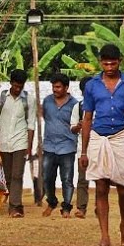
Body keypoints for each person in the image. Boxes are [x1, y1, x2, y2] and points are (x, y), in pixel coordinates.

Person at [79, 44, 124, 246]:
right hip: (98, 137)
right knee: (100, 186)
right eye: (106, 63)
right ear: (101, 62)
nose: (109, 67)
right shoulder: (92, 85)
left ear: (120, 61)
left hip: (121, 136)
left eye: (113, 63)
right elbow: (87, 118)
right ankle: (104, 234)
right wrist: (83, 151)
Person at [0, 69, 36, 218]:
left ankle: (14, 207)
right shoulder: (0, 97)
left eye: (20, 87)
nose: (17, 89)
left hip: (20, 142)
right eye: (15, 86)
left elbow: (31, 124)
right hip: (3, 142)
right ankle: (17, 206)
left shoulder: (29, 100)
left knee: (17, 175)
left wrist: (29, 146)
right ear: (10, 83)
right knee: (8, 176)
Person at [39, 73, 81, 218]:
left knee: (67, 179)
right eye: (53, 87)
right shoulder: (47, 101)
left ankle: (67, 207)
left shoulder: (75, 104)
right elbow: (45, 117)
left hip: (67, 147)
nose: (55, 89)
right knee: (46, 178)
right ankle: (51, 202)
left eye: (58, 87)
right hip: (49, 146)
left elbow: (76, 124)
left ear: (66, 87)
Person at [73, 75, 93, 219]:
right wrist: (79, 126)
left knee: (102, 180)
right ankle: (81, 208)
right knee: (82, 179)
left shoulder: (102, 105)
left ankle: (100, 207)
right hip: (83, 149)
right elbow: (72, 128)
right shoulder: (78, 107)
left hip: (100, 147)